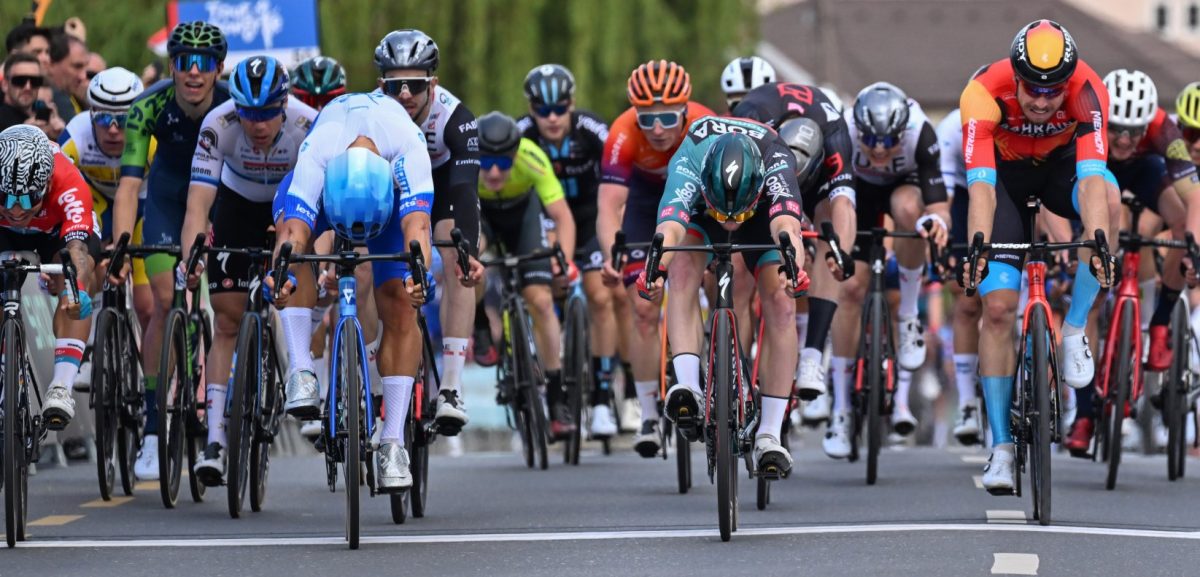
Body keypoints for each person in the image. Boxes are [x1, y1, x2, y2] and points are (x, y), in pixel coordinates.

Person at [958, 20, 1118, 493]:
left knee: (1106, 208)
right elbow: (981, 189)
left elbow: (1089, 180)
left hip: (1060, 174)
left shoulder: (1088, 91)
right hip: (1003, 183)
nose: (1044, 102)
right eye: (1033, 89)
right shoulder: (982, 94)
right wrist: (980, 246)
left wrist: (1098, 241)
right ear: (1015, 74)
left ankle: (1072, 331)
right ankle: (1002, 448)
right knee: (999, 308)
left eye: (1054, 92)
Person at [269, 91, 434, 491]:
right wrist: (281, 276)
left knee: (400, 299)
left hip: (387, 208)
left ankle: (393, 441)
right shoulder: (319, 153)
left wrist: (419, 279)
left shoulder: (408, 151)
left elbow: (418, 230)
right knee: (293, 256)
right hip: (329, 193)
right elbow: (292, 233)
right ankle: (302, 370)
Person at [638, 121, 809, 474]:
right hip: (703, 209)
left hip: (761, 215)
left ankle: (769, 436)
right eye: (724, 214)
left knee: (780, 300)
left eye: (737, 216)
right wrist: (654, 270)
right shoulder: (690, 158)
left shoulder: (777, 162)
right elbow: (669, 227)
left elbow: (788, 230)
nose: (730, 223)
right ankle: (687, 387)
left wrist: (795, 270)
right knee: (682, 270)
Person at [181, 56, 317, 485]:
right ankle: (216, 440)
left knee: (290, 275)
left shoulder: (307, 126)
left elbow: (319, 207)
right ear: (236, 108)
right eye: (249, 114)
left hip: (292, 202)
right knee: (225, 319)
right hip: (238, 204)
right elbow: (198, 206)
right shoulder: (217, 126)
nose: (258, 125)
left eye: (268, 113)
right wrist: (192, 258)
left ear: (285, 104)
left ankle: (297, 371)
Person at [111, 20, 230, 481]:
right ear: (172, 67)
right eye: (184, 62)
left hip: (219, 199)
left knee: (225, 305)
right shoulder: (148, 106)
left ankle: (214, 397)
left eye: (203, 64)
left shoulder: (234, 104)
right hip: (166, 199)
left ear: (219, 69)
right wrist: (121, 246)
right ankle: (155, 425)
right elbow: (128, 187)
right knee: (163, 302)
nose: (193, 73)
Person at [1062, 69, 1200, 455]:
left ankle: (1159, 325)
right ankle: (1085, 414)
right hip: (1092, 171)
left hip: (1143, 173)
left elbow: (1195, 198)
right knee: (1091, 286)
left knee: (1179, 222)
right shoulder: (1083, 118)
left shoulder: (1163, 130)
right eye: (1117, 128)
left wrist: (1192, 249)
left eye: (1134, 131)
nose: (1124, 139)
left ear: (1149, 123)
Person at [821, 81, 950, 453]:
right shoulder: (842, 131)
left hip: (902, 188)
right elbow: (832, 199)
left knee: (913, 213)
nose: (878, 150)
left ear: (902, 131)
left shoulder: (920, 131)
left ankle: (909, 314)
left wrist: (936, 225)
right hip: (855, 192)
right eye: (870, 142)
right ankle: (842, 411)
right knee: (849, 290)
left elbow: (938, 206)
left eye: (887, 142)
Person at [597, 59, 715, 457]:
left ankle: (722, 358)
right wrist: (611, 252)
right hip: (646, 206)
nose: (659, 129)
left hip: (699, 203)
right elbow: (610, 207)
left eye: (668, 117)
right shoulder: (621, 133)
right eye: (648, 120)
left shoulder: (705, 123)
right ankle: (647, 412)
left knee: (717, 280)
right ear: (635, 115)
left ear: (686, 109)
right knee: (643, 308)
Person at [730, 81, 860, 433]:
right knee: (738, 275)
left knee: (831, 236)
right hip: (760, 174)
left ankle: (813, 355)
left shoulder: (835, 133)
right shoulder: (752, 116)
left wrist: (841, 254)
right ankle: (734, 370)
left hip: (814, 171)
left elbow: (844, 203)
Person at [374, 30, 483, 435]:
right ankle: (371, 383)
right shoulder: (371, 113)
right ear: (381, 85)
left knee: (458, 256)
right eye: (394, 85)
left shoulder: (456, 117)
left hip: (441, 189)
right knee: (366, 265)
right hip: (392, 188)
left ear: (432, 84)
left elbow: (464, 189)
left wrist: (467, 248)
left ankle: (451, 387)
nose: (404, 94)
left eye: (415, 85)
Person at [516, 63, 621, 437]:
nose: (553, 117)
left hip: (591, 219)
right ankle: (551, 371)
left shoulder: (592, 129)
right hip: (545, 223)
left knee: (600, 296)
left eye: (560, 108)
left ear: (572, 104)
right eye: (543, 111)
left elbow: (619, 177)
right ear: (531, 109)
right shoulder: (521, 134)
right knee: (546, 295)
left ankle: (602, 398)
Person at [476, 110, 579, 437]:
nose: (493, 172)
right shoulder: (466, 165)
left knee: (541, 301)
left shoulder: (532, 158)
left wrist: (562, 260)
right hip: (483, 217)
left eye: (503, 164)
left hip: (523, 219)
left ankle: (556, 395)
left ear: (514, 155)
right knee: (469, 260)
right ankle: (480, 326)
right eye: (486, 163)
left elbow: (563, 217)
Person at [58, 67, 154, 389]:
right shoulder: (75, 136)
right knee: (92, 261)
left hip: (142, 201)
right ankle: (90, 350)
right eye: (103, 119)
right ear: (90, 115)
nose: (113, 130)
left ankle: (152, 372)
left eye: (124, 120)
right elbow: (61, 191)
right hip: (95, 199)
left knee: (146, 305)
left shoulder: (151, 139)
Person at [0, 125, 98, 432]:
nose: (16, 209)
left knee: (72, 284)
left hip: (57, 234)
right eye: (6, 197)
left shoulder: (68, 183)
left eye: (29, 199)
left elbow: (78, 250)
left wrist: (77, 288)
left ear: (45, 186)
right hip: (4, 236)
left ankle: (61, 386)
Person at [936, 108, 984, 445]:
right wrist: (944, 249)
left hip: (1005, 188)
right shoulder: (951, 129)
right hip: (963, 195)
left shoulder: (1014, 123)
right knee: (967, 300)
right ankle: (967, 401)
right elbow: (944, 200)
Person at [46, 31, 87, 121]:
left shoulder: (73, 96)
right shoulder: (55, 98)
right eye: (77, 66)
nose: (83, 76)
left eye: (85, 67)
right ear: (51, 64)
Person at [0, 52, 45, 130]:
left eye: (35, 81)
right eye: (19, 80)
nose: (28, 87)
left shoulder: (40, 114)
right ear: (5, 85)